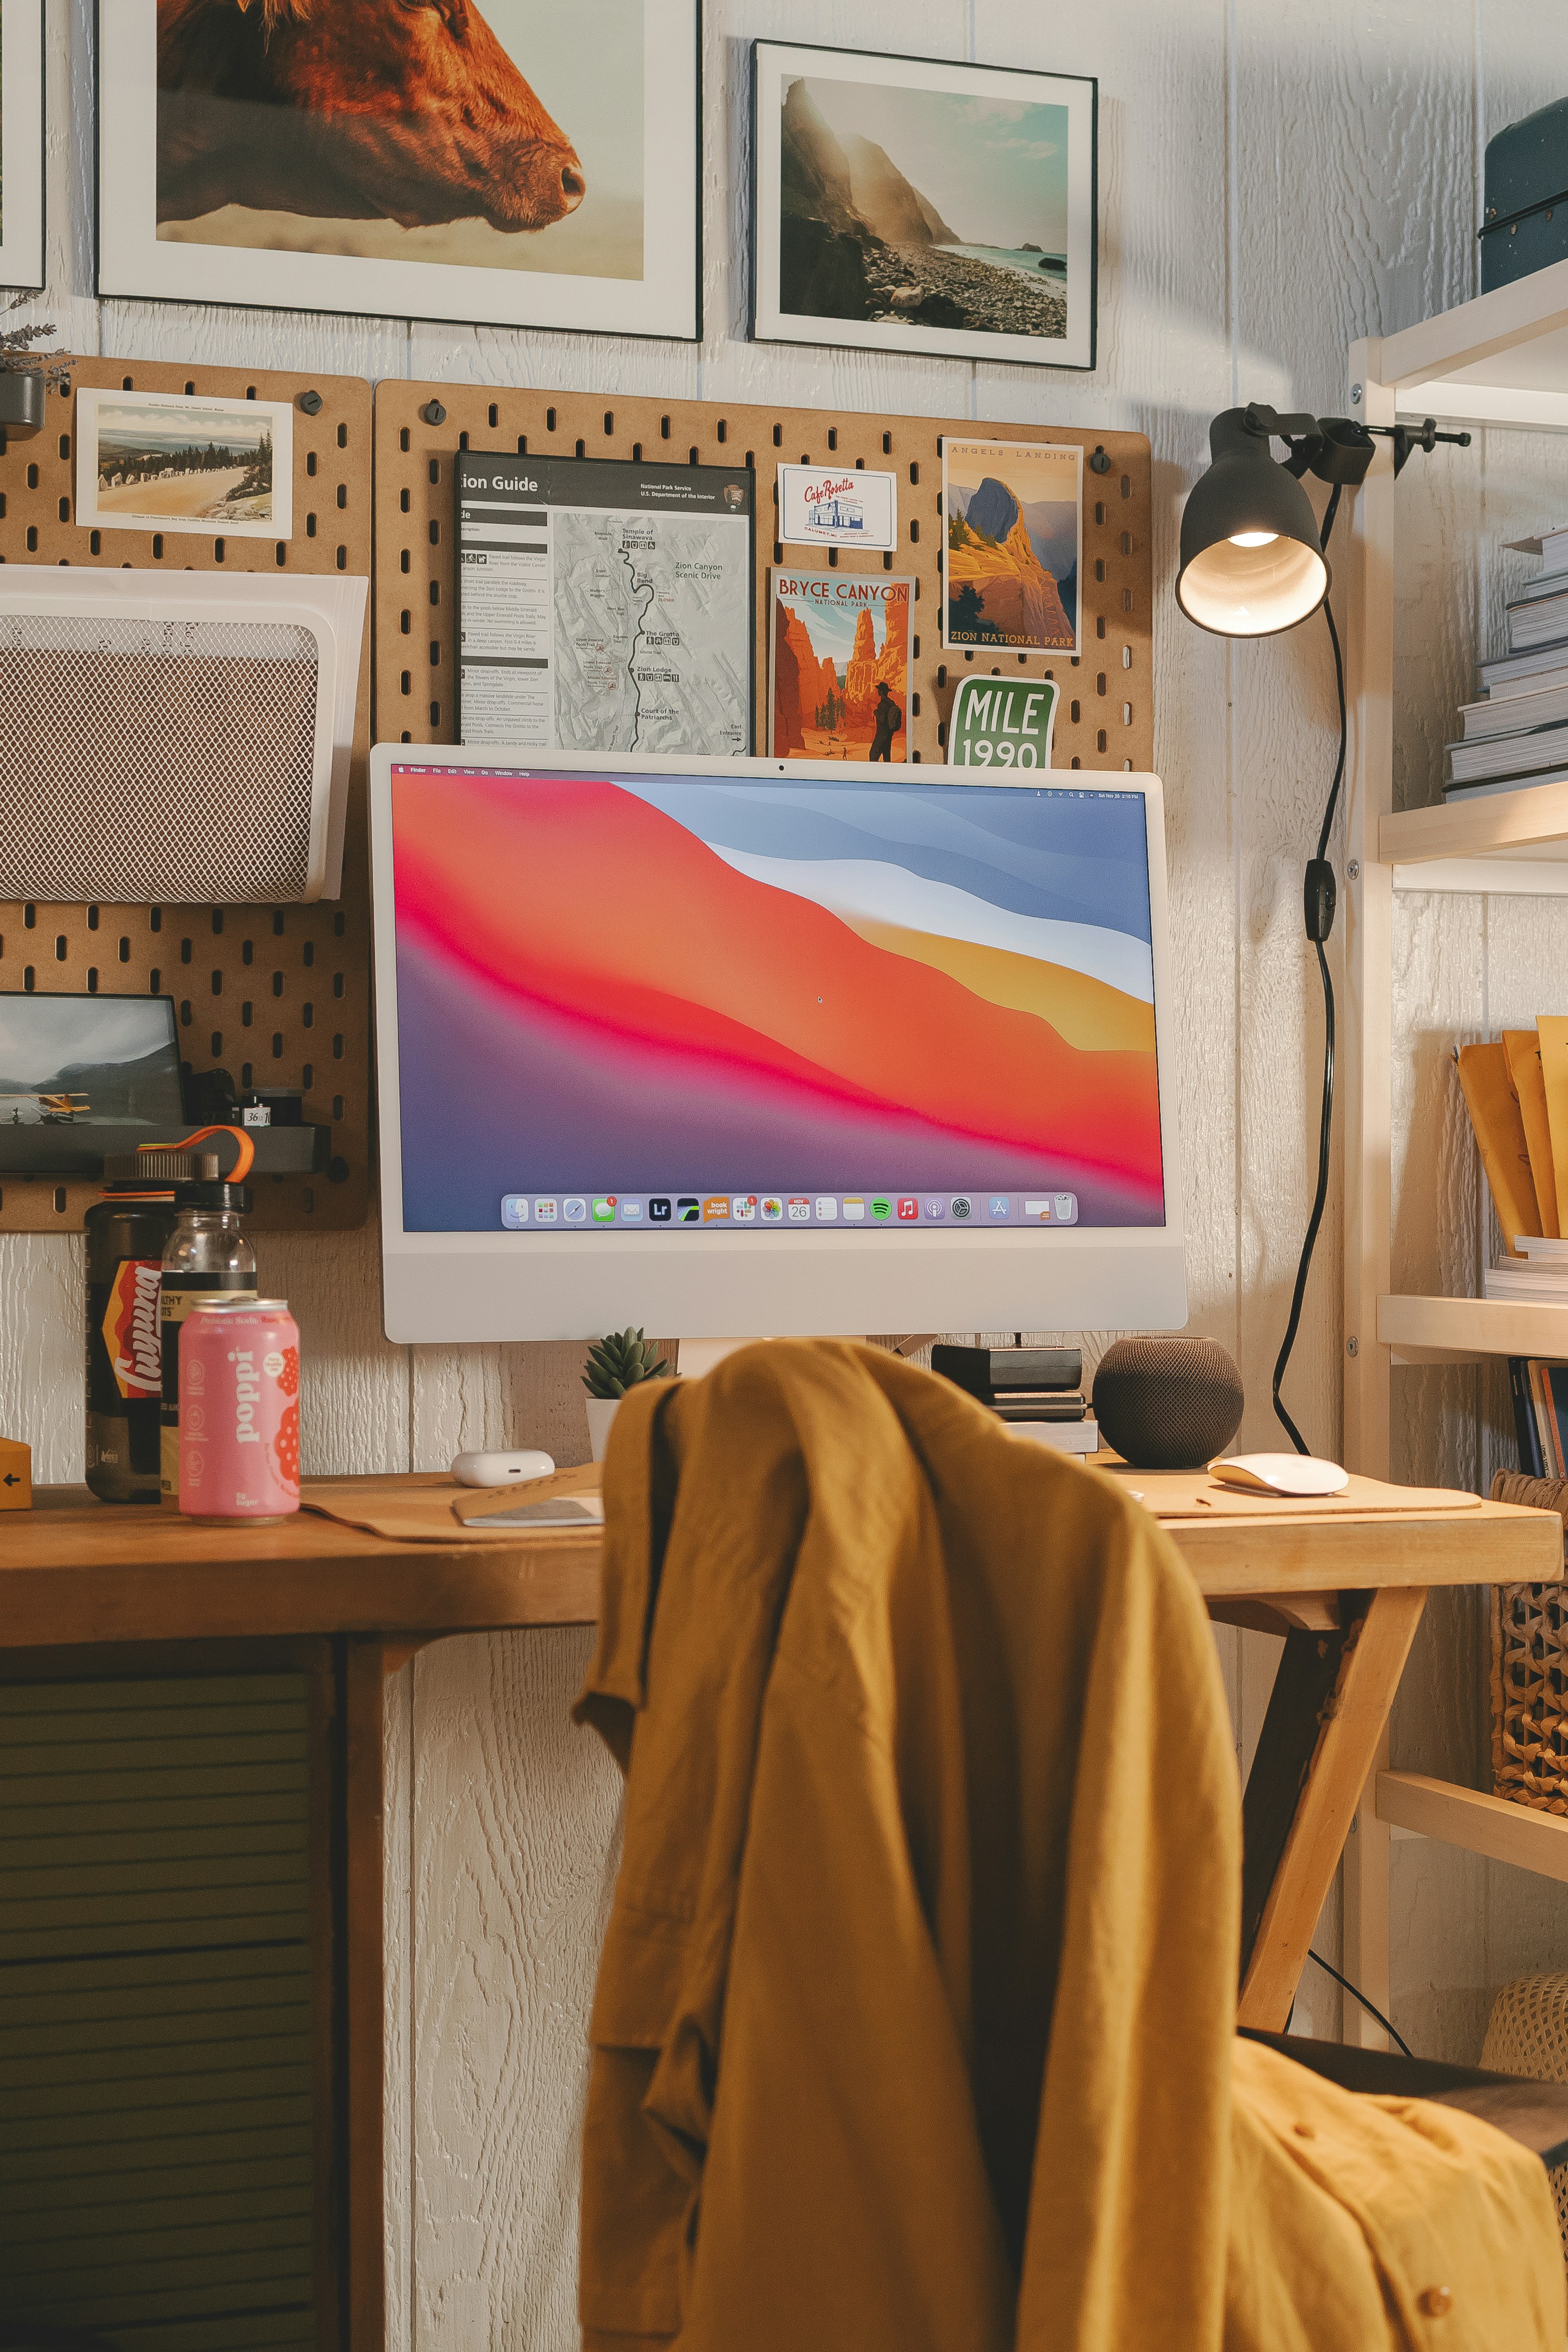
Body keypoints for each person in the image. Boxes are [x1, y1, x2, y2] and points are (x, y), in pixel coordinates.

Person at [868, 681, 902, 761]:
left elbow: (883, 720)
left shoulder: (882, 704)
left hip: (881, 735)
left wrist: (876, 713)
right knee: (887, 758)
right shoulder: (891, 703)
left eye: (879, 690)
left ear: (881, 691)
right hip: (889, 735)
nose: (878, 691)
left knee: (873, 755)